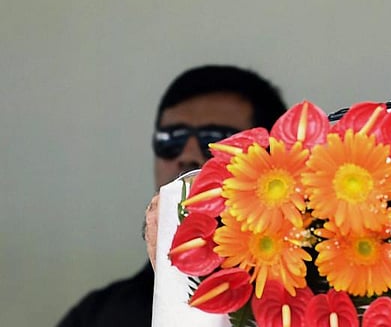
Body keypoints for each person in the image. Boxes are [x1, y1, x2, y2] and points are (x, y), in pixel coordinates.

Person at [56, 65, 289, 327]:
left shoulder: (308, 299)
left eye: (215, 139)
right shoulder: (99, 316)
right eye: (171, 139)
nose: (187, 155)